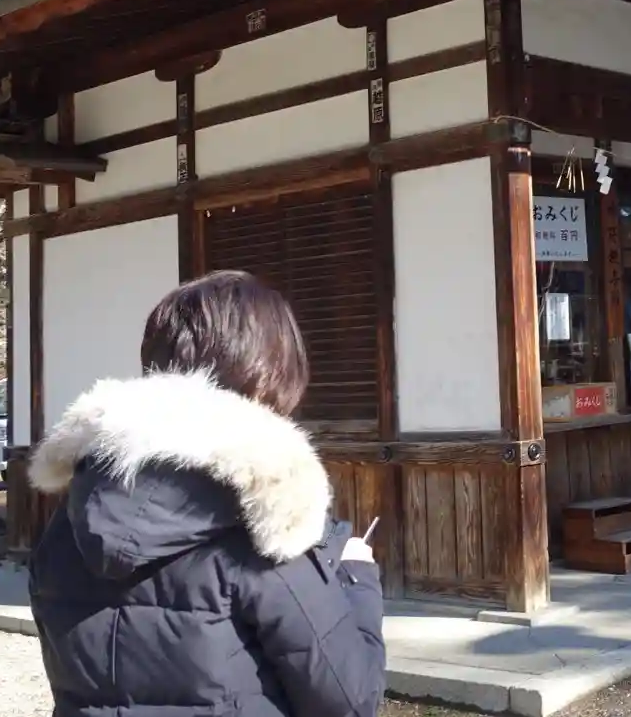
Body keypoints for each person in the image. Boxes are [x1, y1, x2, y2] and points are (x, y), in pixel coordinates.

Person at [28, 270, 385, 717]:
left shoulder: (71, 514)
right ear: (270, 371)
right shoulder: (267, 517)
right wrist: (357, 577)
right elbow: (350, 701)